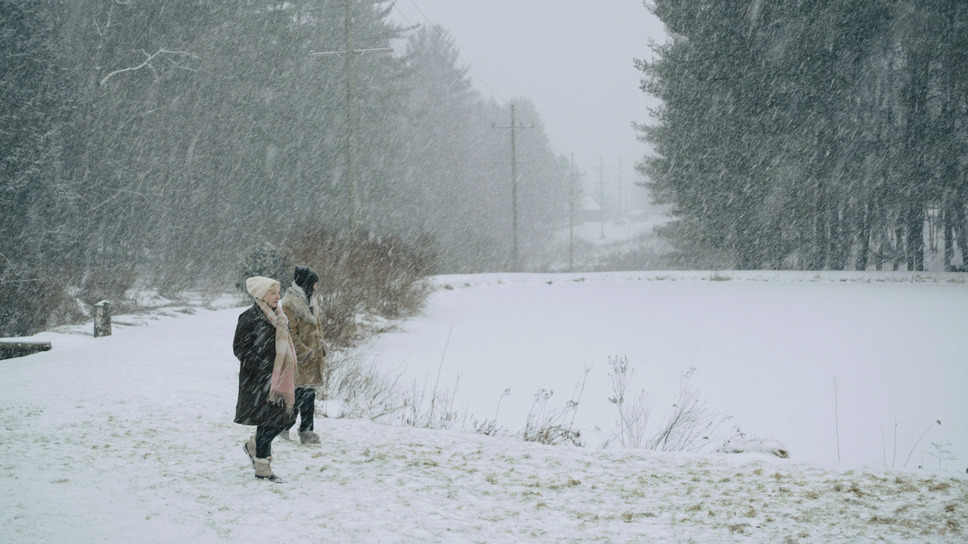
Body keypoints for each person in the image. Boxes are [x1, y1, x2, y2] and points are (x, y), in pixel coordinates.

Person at [234, 276, 296, 482]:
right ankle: (262, 468)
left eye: (278, 292)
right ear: (261, 294)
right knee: (268, 420)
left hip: (279, 378)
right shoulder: (249, 317)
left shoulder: (280, 317)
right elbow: (240, 349)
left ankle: (254, 446)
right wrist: (263, 367)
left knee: (286, 418)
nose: (278, 297)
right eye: (273, 293)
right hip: (257, 380)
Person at [279, 265, 327, 444]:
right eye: (314, 283)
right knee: (297, 394)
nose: (316, 286)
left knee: (308, 394)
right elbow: (290, 334)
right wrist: (305, 353)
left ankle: (306, 431)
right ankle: (284, 427)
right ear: (306, 283)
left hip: (312, 358)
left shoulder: (311, 301)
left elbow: (317, 327)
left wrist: (321, 345)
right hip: (298, 359)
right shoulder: (289, 305)